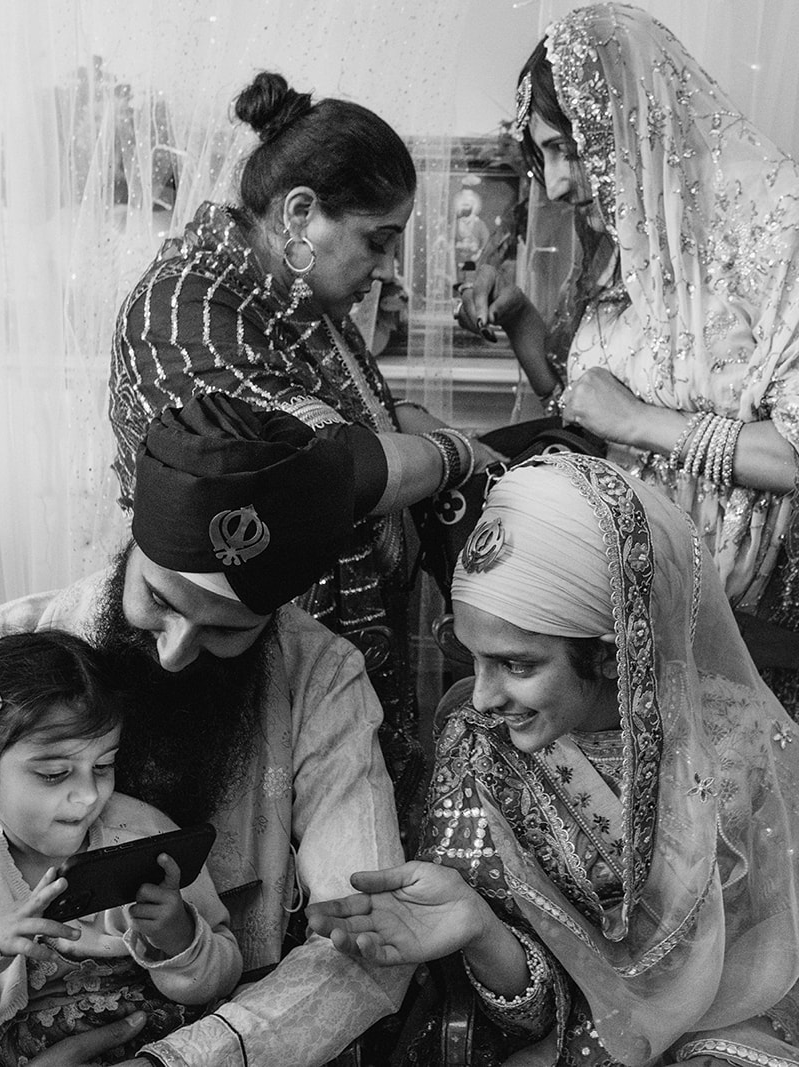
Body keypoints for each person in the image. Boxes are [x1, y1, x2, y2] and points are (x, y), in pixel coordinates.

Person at [0, 395, 413, 1067]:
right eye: (158, 600)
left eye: (226, 629)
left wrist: (179, 1060)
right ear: (132, 535)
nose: (175, 650)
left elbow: (369, 949)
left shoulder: (321, 681)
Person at [307, 455, 799, 1067]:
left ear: (611, 652)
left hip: (734, 1037)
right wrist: (480, 929)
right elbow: (525, 1017)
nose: (484, 695)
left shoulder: (735, 740)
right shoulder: (478, 745)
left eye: (517, 665)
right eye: (475, 657)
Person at [109, 71, 495, 794]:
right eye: (377, 240)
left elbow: (356, 421)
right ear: (301, 212)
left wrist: (409, 426)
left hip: (309, 660)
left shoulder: (289, 298)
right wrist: (456, 453)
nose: (385, 267)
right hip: (218, 651)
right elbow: (328, 471)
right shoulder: (186, 309)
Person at [457, 4, 799, 657]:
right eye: (545, 155)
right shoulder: (621, 231)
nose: (561, 182)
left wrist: (641, 423)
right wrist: (519, 318)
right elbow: (579, 410)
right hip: (597, 590)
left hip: (720, 627)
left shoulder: (790, 222)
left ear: (632, 120)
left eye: (569, 149)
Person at [0, 630, 242, 1067]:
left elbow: (222, 978)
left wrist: (180, 939)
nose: (87, 795)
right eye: (54, 774)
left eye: (103, 766)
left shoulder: (144, 834)